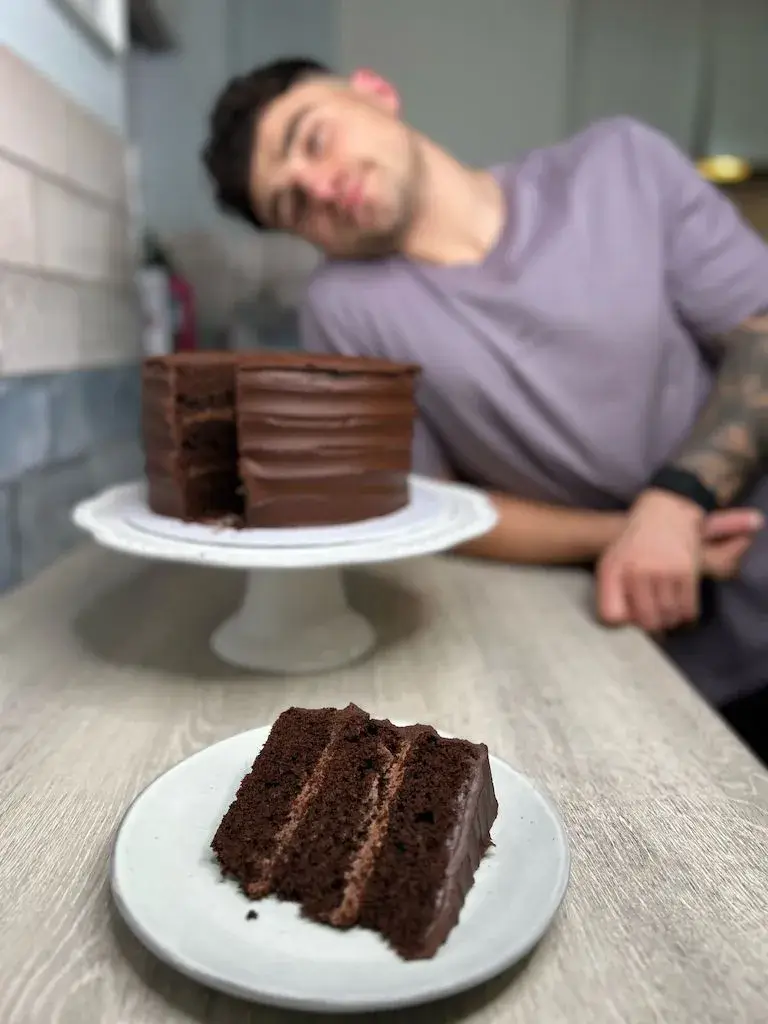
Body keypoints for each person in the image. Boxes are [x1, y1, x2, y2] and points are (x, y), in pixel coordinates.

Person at [202, 57, 768, 763]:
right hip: (634, 654)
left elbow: (760, 328)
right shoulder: (344, 311)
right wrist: (627, 533)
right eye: (292, 205)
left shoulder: (621, 164)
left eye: (313, 140)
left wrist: (677, 502)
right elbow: (435, 508)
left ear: (374, 91)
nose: (318, 185)